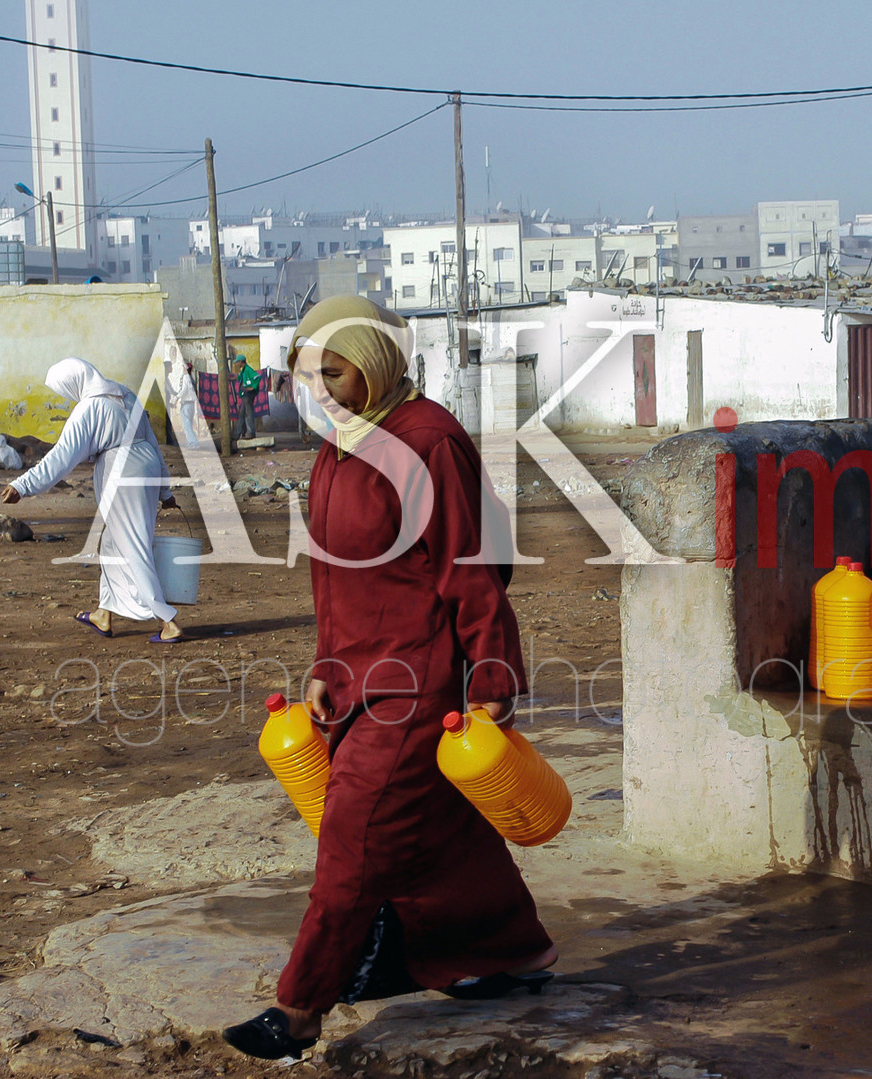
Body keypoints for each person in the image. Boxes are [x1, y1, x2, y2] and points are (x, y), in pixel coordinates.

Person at [222, 296, 548, 1061]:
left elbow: (470, 564)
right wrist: (325, 665)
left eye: (333, 373)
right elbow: (336, 576)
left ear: (373, 363)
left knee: (355, 837)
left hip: (416, 683)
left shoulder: (427, 441)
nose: (320, 392)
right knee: (441, 827)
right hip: (356, 678)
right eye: (308, 377)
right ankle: (507, 948)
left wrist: (491, 674)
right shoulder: (339, 447)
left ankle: (299, 1008)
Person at [1, 357, 186, 643]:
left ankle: (167, 621)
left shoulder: (89, 408)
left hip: (122, 474)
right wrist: (165, 492)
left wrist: (22, 485)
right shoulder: (125, 395)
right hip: (146, 468)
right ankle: (104, 613)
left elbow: (60, 458)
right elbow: (153, 444)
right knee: (112, 543)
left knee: (132, 546)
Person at [232, 354, 260, 442]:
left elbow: (257, 377)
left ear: (241, 362)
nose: (237, 364)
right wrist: (230, 377)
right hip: (245, 394)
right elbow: (238, 377)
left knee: (248, 414)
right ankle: (237, 434)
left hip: (248, 394)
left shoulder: (248, 369)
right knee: (242, 414)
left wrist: (252, 387)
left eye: (237, 362)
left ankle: (250, 433)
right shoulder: (243, 371)